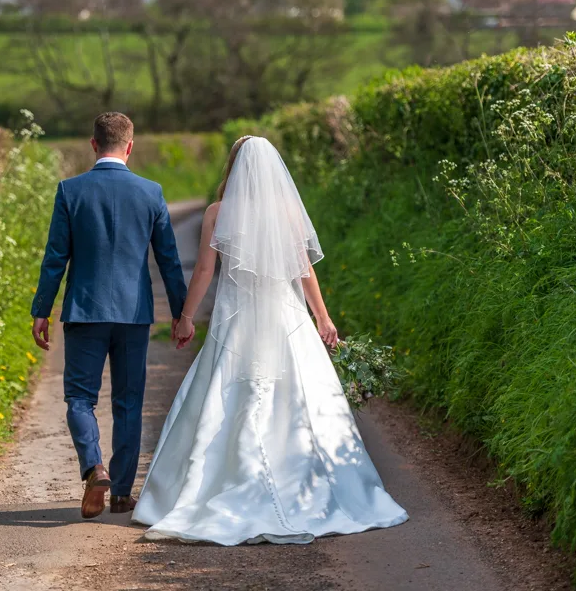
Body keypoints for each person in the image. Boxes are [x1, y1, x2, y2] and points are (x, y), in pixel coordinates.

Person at [133, 135, 408, 544]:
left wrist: (186, 317)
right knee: (300, 398)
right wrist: (323, 317)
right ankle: (309, 483)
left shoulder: (217, 212)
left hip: (236, 322)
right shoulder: (287, 212)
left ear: (234, 167)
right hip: (287, 319)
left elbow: (205, 272)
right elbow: (304, 272)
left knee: (226, 398)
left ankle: (210, 488)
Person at [30, 112, 189, 519]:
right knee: (129, 401)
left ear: (93, 144)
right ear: (130, 146)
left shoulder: (70, 191)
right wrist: (180, 312)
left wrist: (42, 309)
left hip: (85, 312)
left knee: (80, 398)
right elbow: (168, 260)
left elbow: (55, 258)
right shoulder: (151, 193)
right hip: (135, 314)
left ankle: (93, 467)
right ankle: (120, 493)